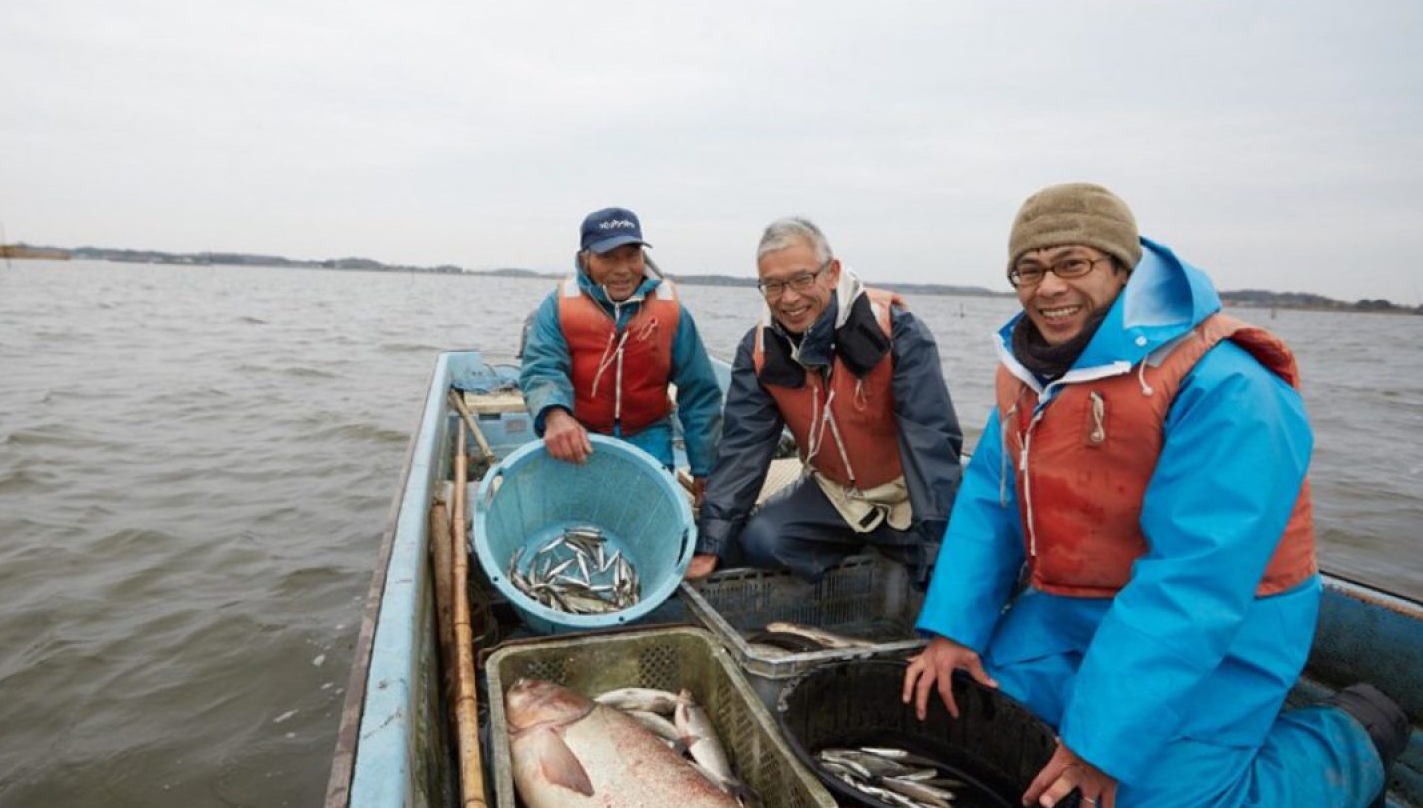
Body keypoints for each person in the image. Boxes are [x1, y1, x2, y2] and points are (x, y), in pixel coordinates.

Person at [902, 183, 1408, 807]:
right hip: (1071, 606)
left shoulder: (1228, 385)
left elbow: (1196, 579)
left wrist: (1099, 744)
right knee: (965, 719)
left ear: (1122, 268)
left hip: (1231, 623)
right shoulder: (1031, 371)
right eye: (1028, 270)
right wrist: (954, 630)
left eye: (1073, 264)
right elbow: (992, 500)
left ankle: (1347, 739)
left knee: (1139, 797)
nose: (1049, 288)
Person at [685, 217, 963, 584]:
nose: (789, 298)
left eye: (802, 280)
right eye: (773, 285)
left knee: (957, 562)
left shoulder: (899, 331)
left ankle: (908, 550)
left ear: (832, 273)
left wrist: (937, 546)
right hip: (834, 493)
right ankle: (855, 552)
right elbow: (743, 448)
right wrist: (711, 544)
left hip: (906, 493)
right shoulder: (757, 350)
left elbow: (930, 442)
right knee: (759, 542)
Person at [519, 207, 722, 498]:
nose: (623, 269)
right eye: (608, 257)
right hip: (579, 435)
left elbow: (699, 391)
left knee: (645, 518)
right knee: (569, 510)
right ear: (584, 258)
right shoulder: (557, 306)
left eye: (631, 255)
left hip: (649, 435)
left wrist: (705, 467)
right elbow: (541, 368)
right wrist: (554, 414)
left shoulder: (672, 311)